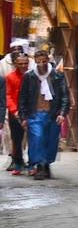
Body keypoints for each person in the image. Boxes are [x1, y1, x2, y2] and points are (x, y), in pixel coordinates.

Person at [18, 48, 70, 179]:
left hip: (53, 113)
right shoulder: (29, 76)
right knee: (38, 138)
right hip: (35, 114)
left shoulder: (57, 75)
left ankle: (46, 164)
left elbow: (65, 96)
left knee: (51, 140)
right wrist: (23, 117)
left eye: (44, 61)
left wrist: (62, 113)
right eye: (38, 61)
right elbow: (22, 98)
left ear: (48, 60)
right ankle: (39, 165)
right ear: (35, 61)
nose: (41, 64)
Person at [5, 51, 28, 174]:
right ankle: (17, 161)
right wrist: (14, 110)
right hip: (16, 112)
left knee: (34, 138)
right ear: (15, 64)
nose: (23, 66)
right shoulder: (10, 77)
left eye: (25, 63)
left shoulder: (31, 76)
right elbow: (8, 95)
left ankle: (35, 163)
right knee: (16, 138)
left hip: (30, 111)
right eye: (20, 63)